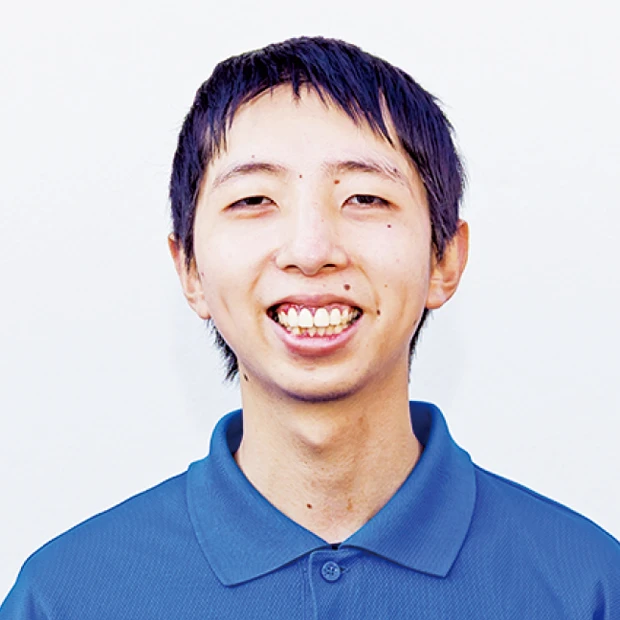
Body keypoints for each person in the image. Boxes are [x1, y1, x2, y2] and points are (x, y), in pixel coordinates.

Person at [1, 36, 618, 619]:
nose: (310, 249)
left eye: (365, 199)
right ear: (189, 270)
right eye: (253, 200)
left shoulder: (587, 585)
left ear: (444, 261)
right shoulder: (65, 597)